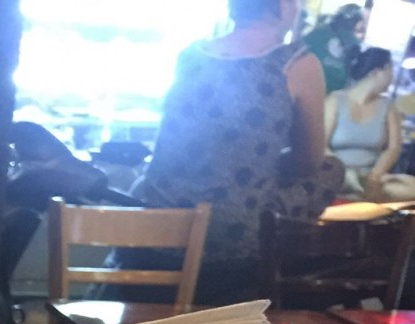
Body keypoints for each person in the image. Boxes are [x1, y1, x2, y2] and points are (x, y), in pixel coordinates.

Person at [128, 0, 343, 304]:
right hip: (230, 238)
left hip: (154, 230)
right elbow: (309, 161)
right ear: (282, 5)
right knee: (331, 169)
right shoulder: (296, 63)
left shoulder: (190, 55)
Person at [325, 47, 415, 201]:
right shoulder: (335, 101)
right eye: (390, 70)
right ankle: (357, 193)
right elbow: (321, 146)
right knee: (351, 185)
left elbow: (393, 148)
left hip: (370, 177)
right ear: (377, 72)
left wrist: (375, 175)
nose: (392, 76)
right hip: (337, 175)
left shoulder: (388, 107)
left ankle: (360, 193)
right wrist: (344, 173)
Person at [304, 3, 368, 93]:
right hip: (333, 95)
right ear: (355, 22)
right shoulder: (355, 44)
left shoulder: (315, 32)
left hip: (305, 88)